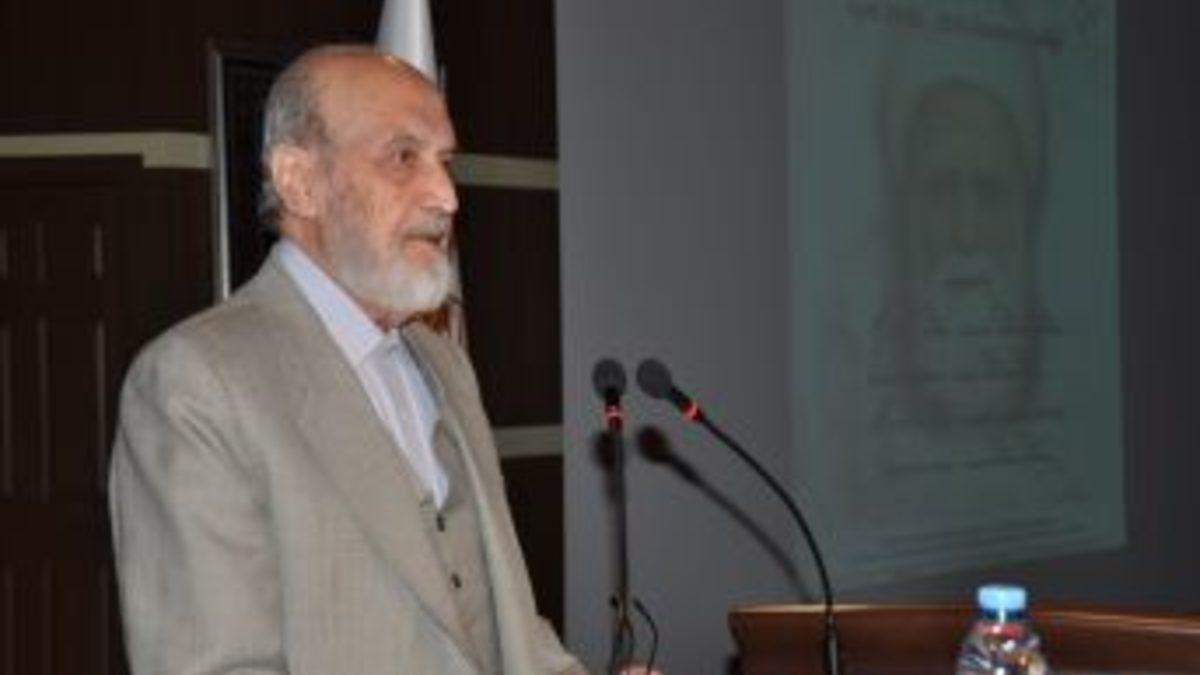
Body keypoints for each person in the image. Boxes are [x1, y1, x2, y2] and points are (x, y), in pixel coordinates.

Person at [109, 44, 629, 675]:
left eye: (445, 163)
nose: (445, 196)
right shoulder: (197, 383)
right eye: (403, 157)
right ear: (300, 181)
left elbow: (501, 624)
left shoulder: (444, 363)